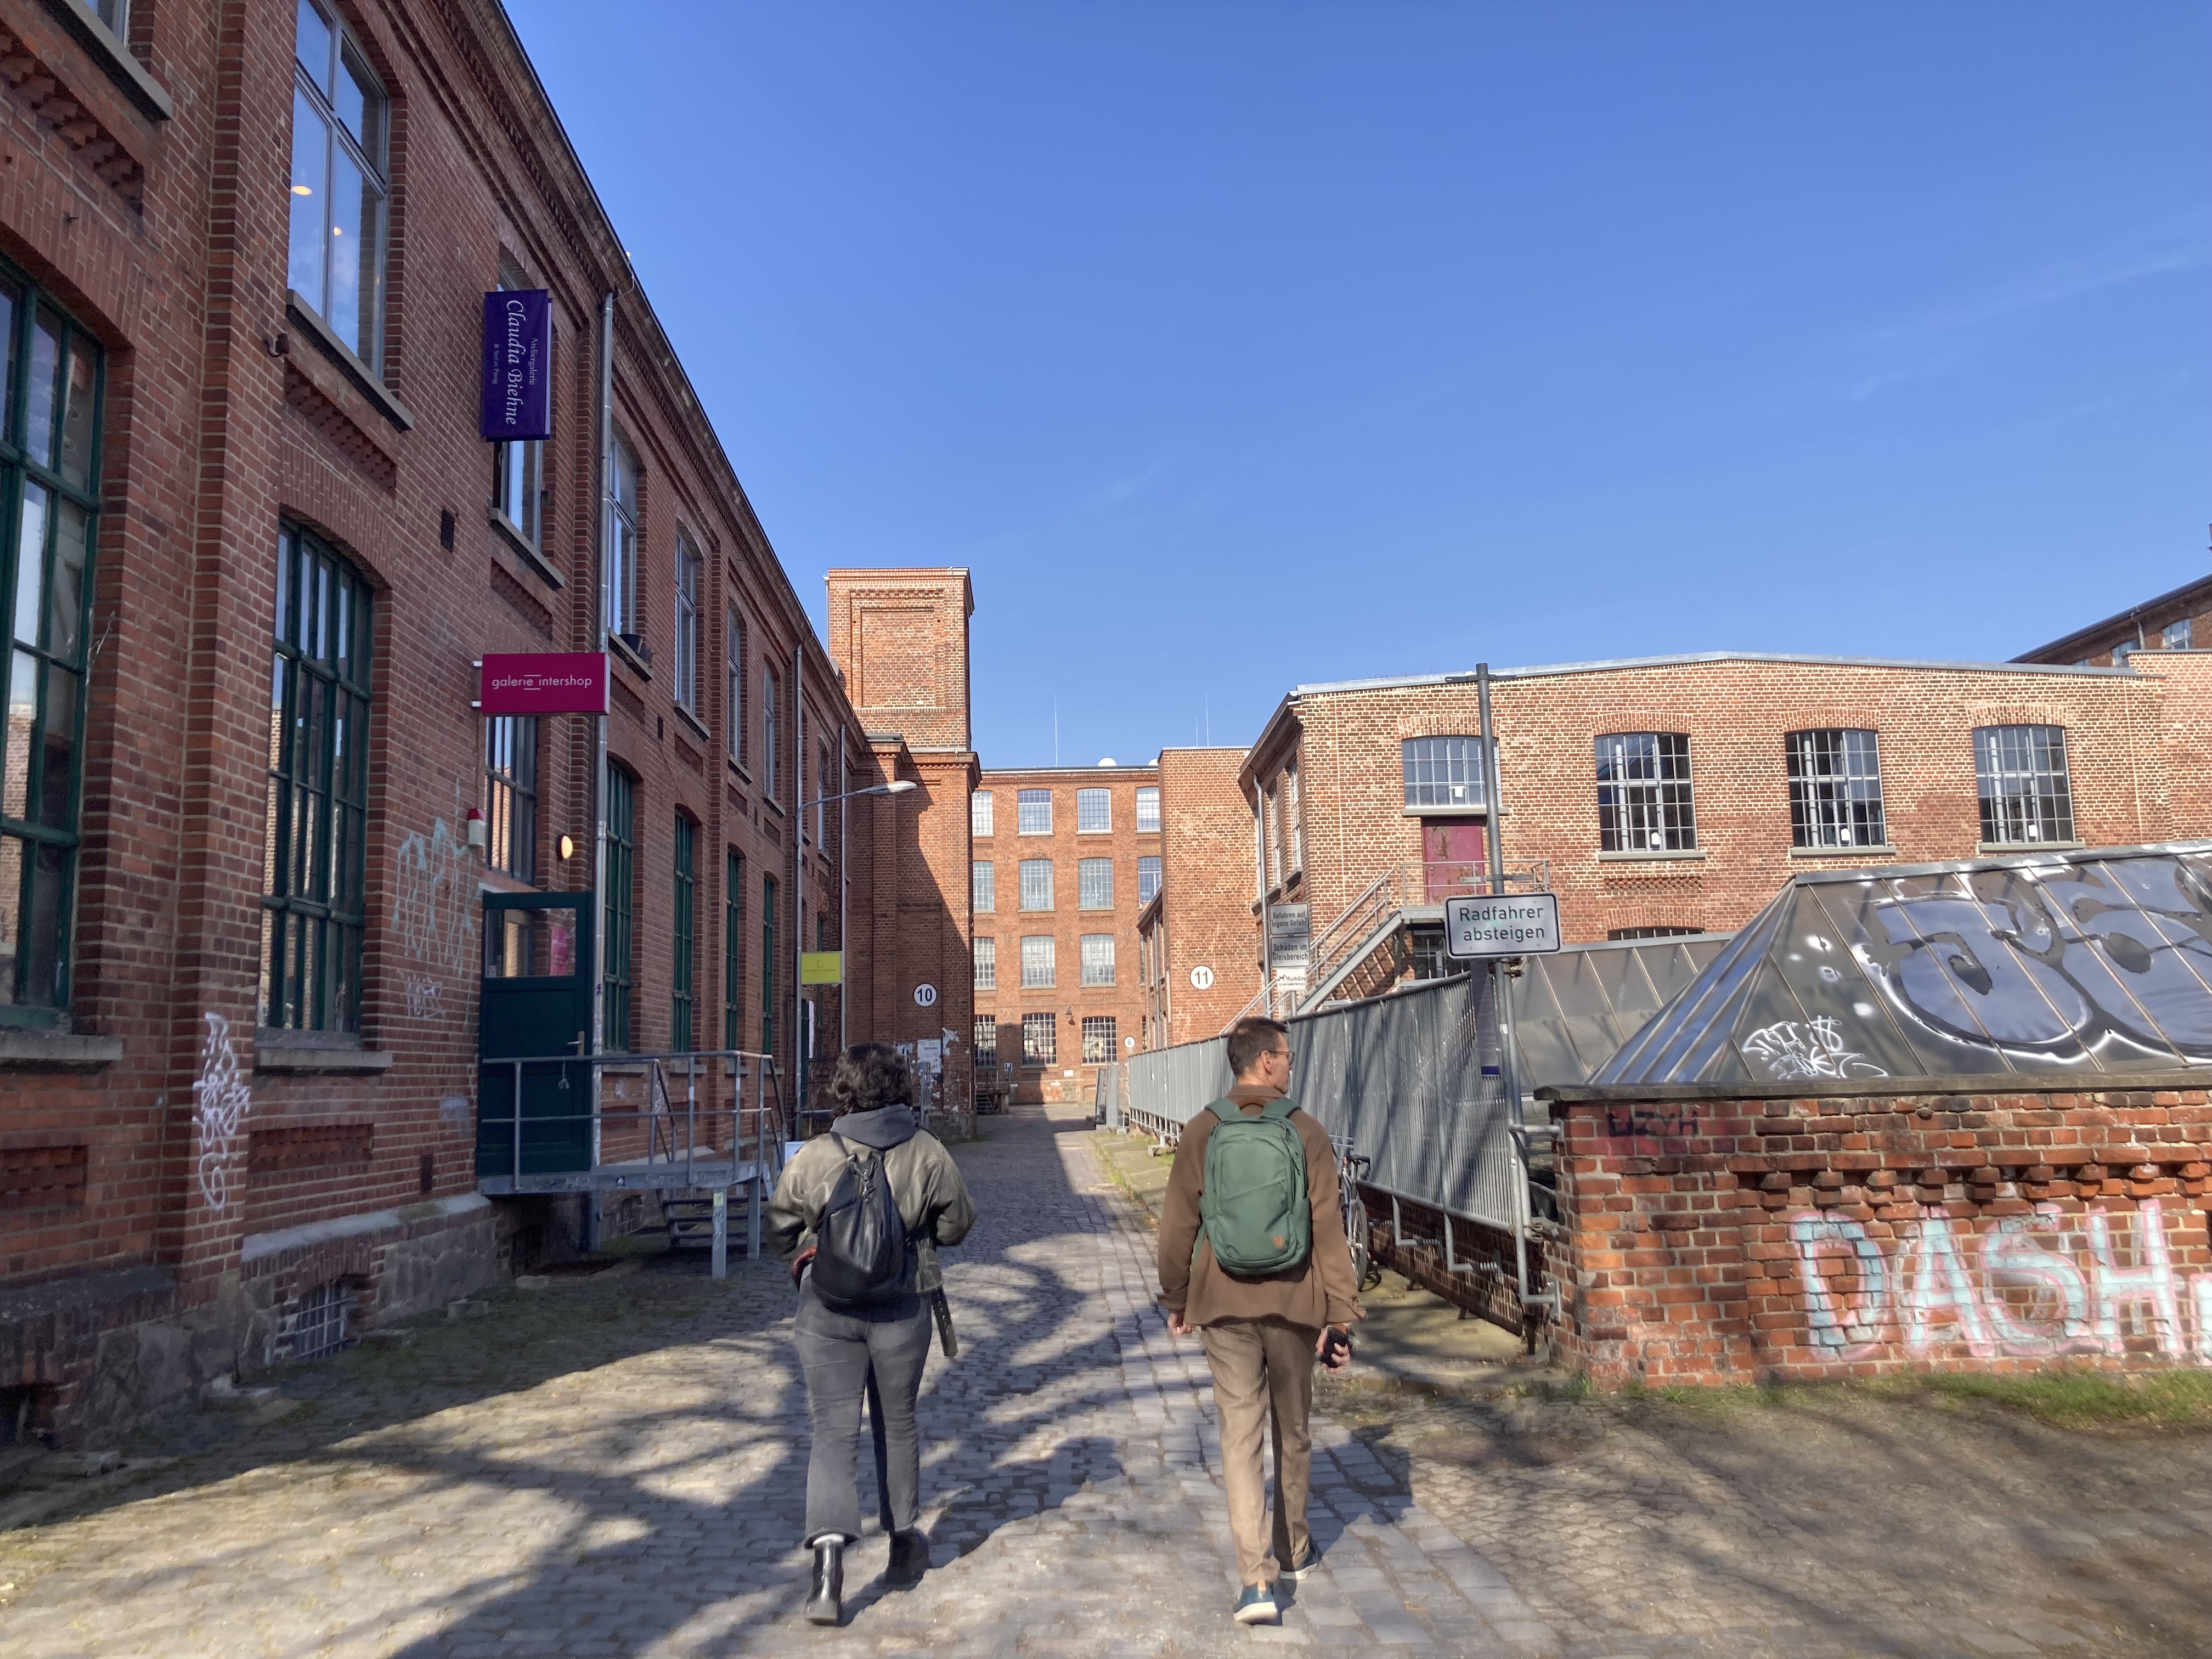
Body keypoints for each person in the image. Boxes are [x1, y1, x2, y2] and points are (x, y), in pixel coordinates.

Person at [1157, 1015, 1359, 1627]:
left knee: (1239, 1438)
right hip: (1295, 1302)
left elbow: (1176, 1229)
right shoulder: (1306, 1131)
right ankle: (1294, 1548)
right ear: (1266, 1062)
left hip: (1222, 1303)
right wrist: (1342, 1316)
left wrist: (1177, 1299)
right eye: (1287, 1056)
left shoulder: (1202, 1130)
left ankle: (1255, 1582)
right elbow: (1329, 1230)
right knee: (1292, 1430)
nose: (1291, 1065)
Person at [766, 1043, 977, 1627]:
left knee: (833, 1434)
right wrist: (914, 1232)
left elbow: (780, 1224)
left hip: (826, 1311)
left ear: (845, 1090)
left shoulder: (815, 1154)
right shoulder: (926, 1150)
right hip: (902, 1305)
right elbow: (960, 1223)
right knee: (898, 1422)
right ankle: (904, 1545)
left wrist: (811, 1257)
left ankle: (828, 1567)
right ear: (899, 1085)